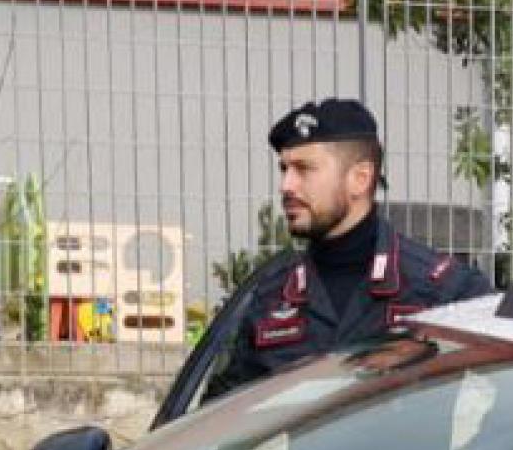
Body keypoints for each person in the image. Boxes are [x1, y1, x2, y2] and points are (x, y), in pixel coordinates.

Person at [205, 98, 492, 401]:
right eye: (284, 169)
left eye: (304, 169)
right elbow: (217, 416)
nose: (286, 185)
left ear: (360, 179)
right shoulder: (271, 297)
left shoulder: (444, 291)